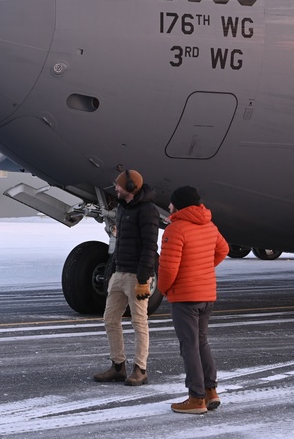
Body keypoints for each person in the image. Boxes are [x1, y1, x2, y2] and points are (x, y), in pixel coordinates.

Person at [158, 185, 229, 414]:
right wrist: (204, 269)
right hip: (206, 294)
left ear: (177, 205)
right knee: (202, 342)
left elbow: (168, 270)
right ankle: (210, 391)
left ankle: (196, 398)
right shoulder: (209, 225)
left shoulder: (175, 229)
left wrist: (164, 289)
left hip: (186, 297)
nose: (168, 206)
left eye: (171, 203)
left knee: (189, 347)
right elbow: (223, 249)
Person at [92, 169, 160, 386]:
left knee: (139, 322)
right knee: (110, 319)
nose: (116, 188)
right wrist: (112, 272)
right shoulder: (122, 208)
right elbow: (120, 243)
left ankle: (140, 369)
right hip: (120, 273)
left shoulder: (148, 211)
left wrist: (143, 279)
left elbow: (150, 246)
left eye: (119, 185)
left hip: (136, 277)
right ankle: (118, 366)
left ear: (131, 188)